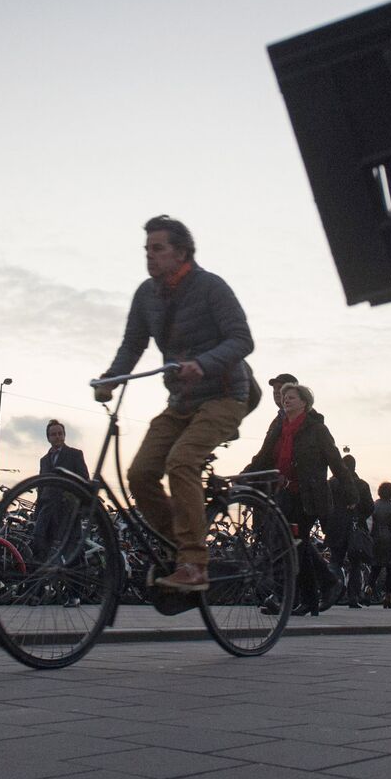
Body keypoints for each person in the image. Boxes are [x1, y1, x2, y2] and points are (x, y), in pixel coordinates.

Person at [99, 215, 255, 593]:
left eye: (158, 248)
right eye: (147, 249)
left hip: (225, 396)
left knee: (182, 462)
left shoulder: (211, 287)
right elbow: (132, 345)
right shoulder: (146, 295)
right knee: (140, 473)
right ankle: (179, 549)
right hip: (181, 401)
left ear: (181, 252)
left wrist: (204, 364)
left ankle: (194, 564)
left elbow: (242, 340)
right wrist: (110, 378)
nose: (150, 256)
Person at [245, 382, 350, 615]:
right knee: (294, 545)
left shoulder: (316, 429)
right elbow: (263, 457)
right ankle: (311, 597)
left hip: (308, 496)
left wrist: (351, 492)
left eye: (291, 397)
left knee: (294, 545)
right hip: (285, 494)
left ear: (304, 402)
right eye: (285, 397)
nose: (286, 400)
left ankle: (296, 596)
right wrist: (245, 476)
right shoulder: (279, 427)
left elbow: (335, 460)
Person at [30, 420, 91, 561]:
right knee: (40, 544)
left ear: (64, 435)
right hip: (48, 509)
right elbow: (41, 487)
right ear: (48, 438)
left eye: (60, 433)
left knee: (72, 549)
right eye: (53, 434)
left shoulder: (75, 454)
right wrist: (37, 512)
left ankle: (77, 573)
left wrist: (76, 501)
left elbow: (83, 479)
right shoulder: (44, 460)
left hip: (67, 509)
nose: (57, 437)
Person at [326, 452, 375, 608]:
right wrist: (359, 517)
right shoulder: (362, 485)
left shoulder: (332, 484)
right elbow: (370, 507)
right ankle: (353, 597)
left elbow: (325, 504)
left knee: (335, 561)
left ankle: (330, 594)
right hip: (355, 528)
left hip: (335, 526)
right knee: (355, 564)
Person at [370, 480, 391, 608]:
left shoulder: (374, 505)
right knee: (390, 570)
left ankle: (368, 591)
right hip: (389, 540)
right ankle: (388, 598)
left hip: (374, 539)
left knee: (375, 568)